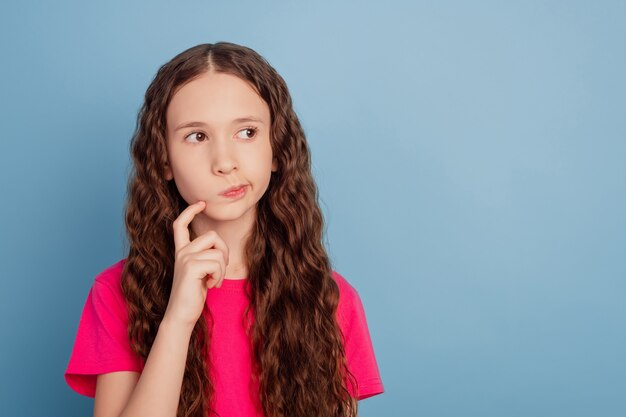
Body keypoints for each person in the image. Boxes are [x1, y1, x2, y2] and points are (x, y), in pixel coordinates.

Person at [64, 41, 384, 417]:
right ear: (163, 160)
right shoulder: (118, 293)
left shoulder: (331, 299)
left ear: (277, 149)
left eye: (246, 132)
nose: (225, 162)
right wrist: (178, 320)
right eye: (197, 136)